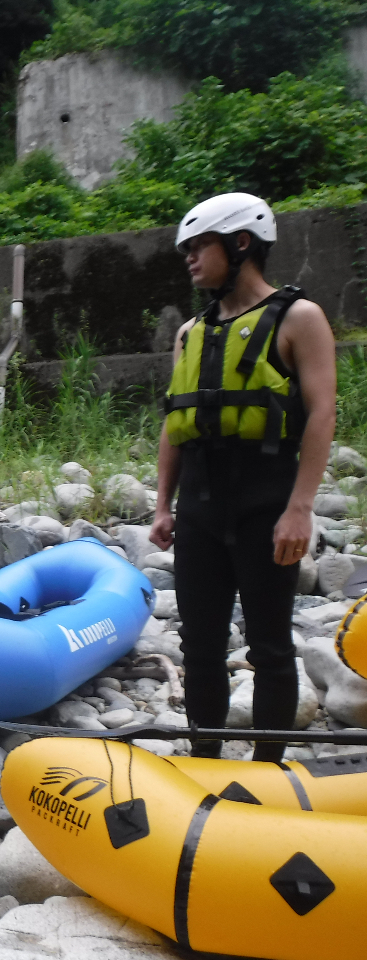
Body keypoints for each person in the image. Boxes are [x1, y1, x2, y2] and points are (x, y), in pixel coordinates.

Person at [150, 193, 336, 763]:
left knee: (271, 647)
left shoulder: (299, 318)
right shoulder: (191, 333)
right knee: (200, 647)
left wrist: (300, 507)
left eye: (198, 246)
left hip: (267, 505)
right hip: (202, 511)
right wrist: (162, 505)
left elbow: (322, 413)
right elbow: (175, 423)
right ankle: (205, 762)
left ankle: (267, 769)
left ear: (240, 243)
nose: (189, 259)